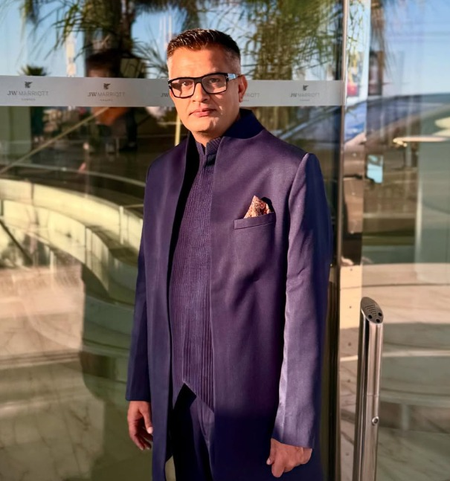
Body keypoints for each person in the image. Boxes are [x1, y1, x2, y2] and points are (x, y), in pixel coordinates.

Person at [126, 29, 332, 481]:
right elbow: (148, 288)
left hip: (255, 409)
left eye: (214, 81)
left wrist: (295, 425)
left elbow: (306, 310)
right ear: (172, 93)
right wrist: (141, 385)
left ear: (239, 86)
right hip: (177, 401)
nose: (199, 96)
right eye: (184, 84)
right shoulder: (161, 174)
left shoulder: (289, 169)